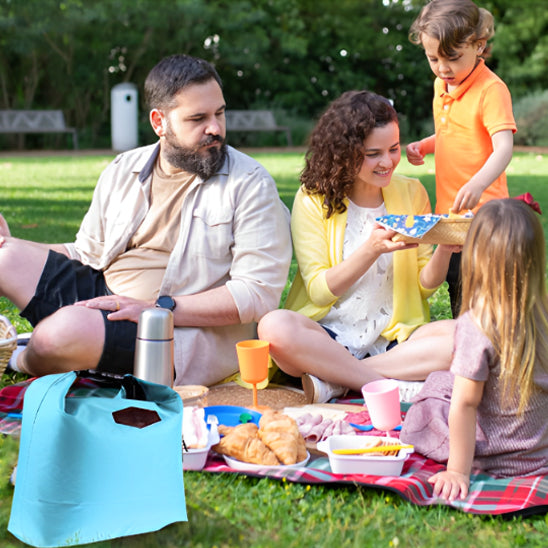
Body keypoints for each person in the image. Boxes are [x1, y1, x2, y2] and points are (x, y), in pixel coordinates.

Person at [0, 54, 292, 386]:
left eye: (220, 113)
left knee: (56, 336)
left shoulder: (251, 183)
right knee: (4, 257)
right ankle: (77, 347)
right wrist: (15, 244)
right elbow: (85, 252)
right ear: (159, 122)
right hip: (107, 296)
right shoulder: (124, 168)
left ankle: (23, 357)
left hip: (174, 331)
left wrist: (157, 309)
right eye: (198, 118)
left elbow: (256, 295)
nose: (215, 128)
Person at [258, 90, 457, 404]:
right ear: (344, 152)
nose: (387, 162)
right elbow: (320, 291)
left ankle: (336, 380)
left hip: (394, 340)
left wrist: (444, 246)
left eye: (393, 149)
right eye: (373, 153)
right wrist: (371, 249)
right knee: (274, 327)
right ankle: (387, 384)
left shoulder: (411, 192)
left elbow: (424, 286)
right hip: (327, 336)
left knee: (464, 337)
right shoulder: (313, 200)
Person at [400, 199, 548, 501]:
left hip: (492, 456)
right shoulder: (541, 313)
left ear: (476, 258)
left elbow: (466, 405)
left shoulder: (477, 325)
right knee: (446, 380)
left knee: (427, 406)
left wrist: (457, 471)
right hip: (539, 454)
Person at [405, 0, 517, 317]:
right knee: (459, 290)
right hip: (452, 218)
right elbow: (454, 133)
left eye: (452, 58)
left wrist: (479, 182)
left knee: (488, 300)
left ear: (478, 45)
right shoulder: (442, 84)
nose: (442, 68)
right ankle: (465, 360)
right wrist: (426, 145)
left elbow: (504, 147)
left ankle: (498, 361)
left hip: (485, 219)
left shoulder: (491, 90)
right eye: (433, 59)